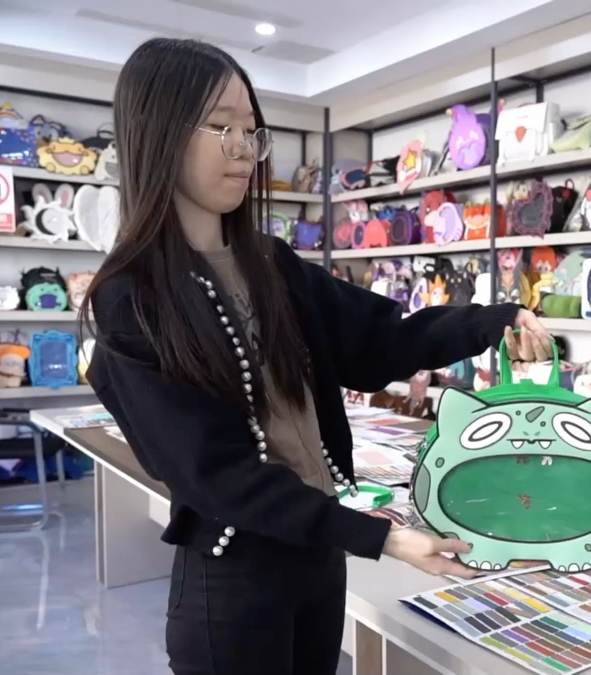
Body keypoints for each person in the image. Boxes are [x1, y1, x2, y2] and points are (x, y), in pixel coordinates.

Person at [82, 38, 553, 675]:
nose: (243, 148)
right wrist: (380, 536)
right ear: (157, 132)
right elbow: (214, 474)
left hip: (317, 558)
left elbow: (379, 342)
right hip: (234, 578)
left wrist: (492, 321)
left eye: (251, 130)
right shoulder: (131, 297)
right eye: (220, 126)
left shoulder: (271, 263)